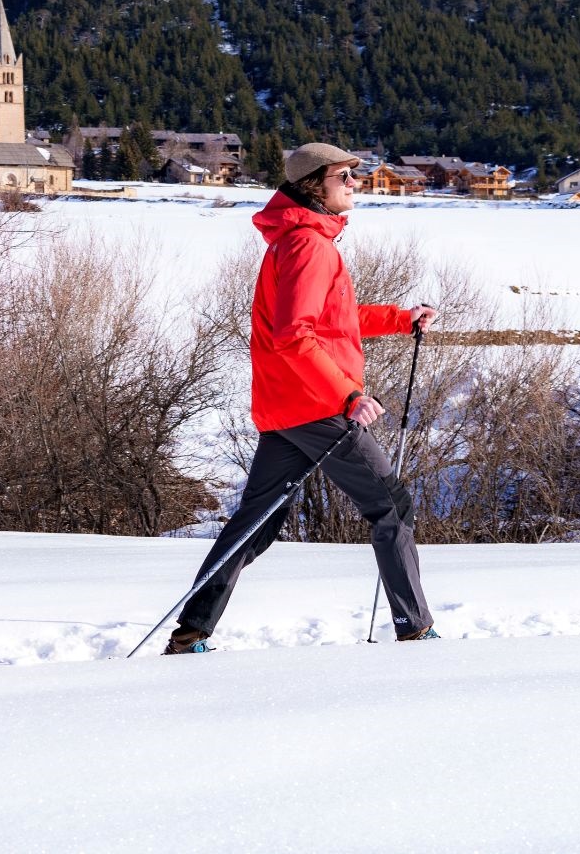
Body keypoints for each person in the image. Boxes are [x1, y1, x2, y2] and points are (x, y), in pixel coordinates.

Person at [164, 143, 438, 654]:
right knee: (391, 508)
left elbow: (332, 319)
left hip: (287, 409)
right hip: (319, 407)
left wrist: (401, 318)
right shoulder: (310, 245)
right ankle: (416, 630)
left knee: (257, 523)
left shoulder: (297, 241)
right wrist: (348, 394)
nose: (355, 183)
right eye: (344, 177)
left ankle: (191, 632)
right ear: (315, 184)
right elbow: (295, 334)